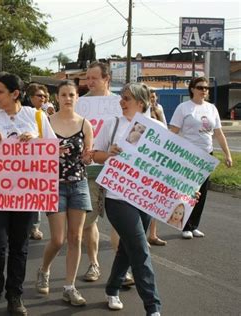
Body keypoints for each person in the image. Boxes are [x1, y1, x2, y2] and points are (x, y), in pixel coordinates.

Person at [0, 72, 57, 316]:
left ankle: (15, 294)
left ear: (15, 94)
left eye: (0, 92)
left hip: (26, 193)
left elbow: (52, 151)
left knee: (19, 246)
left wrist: (36, 139)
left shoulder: (37, 117)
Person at [93, 83, 161, 315]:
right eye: (121, 97)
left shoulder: (156, 128)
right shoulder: (112, 125)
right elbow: (94, 154)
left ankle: (112, 288)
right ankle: (153, 308)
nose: (121, 102)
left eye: (127, 98)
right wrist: (108, 153)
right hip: (117, 198)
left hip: (145, 198)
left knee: (127, 248)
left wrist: (186, 192)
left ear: (140, 103)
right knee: (140, 250)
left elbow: (167, 169)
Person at [35, 80, 93, 306]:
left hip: (78, 184)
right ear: (56, 97)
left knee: (76, 237)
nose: (68, 98)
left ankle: (70, 287)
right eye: (64, 95)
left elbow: (88, 155)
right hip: (53, 185)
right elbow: (35, 155)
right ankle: (44, 269)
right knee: (58, 239)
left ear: (77, 97)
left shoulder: (85, 124)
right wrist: (50, 151)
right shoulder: (46, 123)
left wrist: (89, 157)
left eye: (72, 94)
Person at [169, 77, 233, 239]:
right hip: (189, 155)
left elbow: (218, 132)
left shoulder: (212, 108)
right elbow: (173, 131)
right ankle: (184, 225)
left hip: (206, 155)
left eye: (206, 88)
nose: (204, 90)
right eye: (200, 87)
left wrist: (227, 154)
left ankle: (194, 225)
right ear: (192, 89)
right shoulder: (184, 108)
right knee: (188, 190)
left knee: (202, 192)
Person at [80, 61, 115, 283]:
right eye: (87, 78)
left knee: (120, 222)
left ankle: (123, 269)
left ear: (106, 79)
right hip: (90, 170)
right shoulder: (80, 104)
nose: (89, 82)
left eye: (94, 78)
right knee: (88, 221)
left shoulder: (120, 103)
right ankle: (94, 264)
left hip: (117, 171)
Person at [25, 83, 50, 240]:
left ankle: (34, 227)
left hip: (39, 160)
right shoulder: (24, 114)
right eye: (39, 96)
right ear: (30, 97)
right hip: (23, 161)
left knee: (36, 195)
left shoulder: (44, 115)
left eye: (45, 96)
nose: (43, 99)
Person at [147, 88, 167, 246]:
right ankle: (140, 235)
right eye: (150, 97)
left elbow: (165, 129)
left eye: (154, 97)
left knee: (154, 198)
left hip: (156, 157)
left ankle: (152, 234)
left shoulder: (159, 109)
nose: (152, 100)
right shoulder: (141, 112)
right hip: (143, 157)